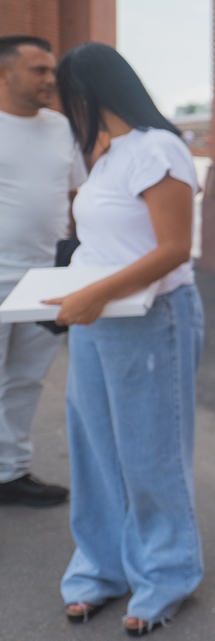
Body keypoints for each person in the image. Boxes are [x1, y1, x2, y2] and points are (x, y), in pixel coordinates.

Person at [48, 43, 203, 635]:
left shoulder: (158, 149)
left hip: (148, 320)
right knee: (94, 451)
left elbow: (173, 250)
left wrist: (93, 294)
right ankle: (100, 569)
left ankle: (164, 576)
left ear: (85, 92)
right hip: (96, 320)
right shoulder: (109, 154)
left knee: (150, 455)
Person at [0, 35, 86, 508]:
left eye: (52, 70)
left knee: (26, 379)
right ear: (4, 73)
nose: (51, 79)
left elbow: (80, 198)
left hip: (47, 278)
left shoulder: (63, 129)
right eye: (38, 70)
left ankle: (10, 473)